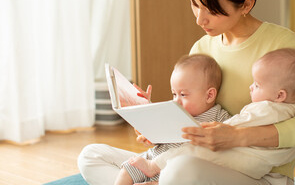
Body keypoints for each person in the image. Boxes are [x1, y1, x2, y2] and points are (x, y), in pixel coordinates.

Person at [78, 0, 295, 184]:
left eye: (211, 10)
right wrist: (155, 125)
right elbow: (192, 121)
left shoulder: (280, 44)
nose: (199, 19)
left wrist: (236, 136)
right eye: (195, 4)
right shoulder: (202, 48)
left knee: (180, 171)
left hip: (257, 173)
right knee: (91, 156)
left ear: (246, 5)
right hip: (195, 159)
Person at [129, 48, 295, 181]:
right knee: (100, 154)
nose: (250, 87)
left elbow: (240, 123)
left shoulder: (268, 109)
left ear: (280, 95)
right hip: (249, 165)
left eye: (257, 85)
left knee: (193, 150)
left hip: (247, 165)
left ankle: (153, 168)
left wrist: (222, 130)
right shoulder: (290, 110)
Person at [84, 54, 231, 185]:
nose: (176, 100)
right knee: (121, 168)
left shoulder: (220, 118)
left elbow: (227, 147)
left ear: (209, 95)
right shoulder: (172, 112)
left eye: (183, 95)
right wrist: (146, 111)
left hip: (178, 170)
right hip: (151, 160)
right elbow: (158, 138)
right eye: (174, 94)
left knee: (176, 175)